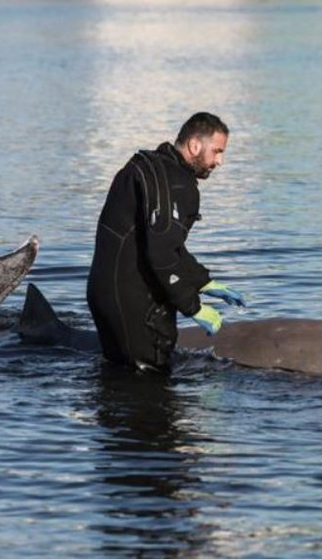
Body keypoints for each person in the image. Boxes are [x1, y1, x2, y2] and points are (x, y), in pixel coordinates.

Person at [87, 112, 245, 373]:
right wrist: (192, 306)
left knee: (117, 378)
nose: (220, 162)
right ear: (195, 145)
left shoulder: (146, 167)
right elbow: (160, 253)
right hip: (135, 303)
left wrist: (201, 280)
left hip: (105, 293)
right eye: (216, 152)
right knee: (147, 383)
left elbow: (161, 243)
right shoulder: (178, 185)